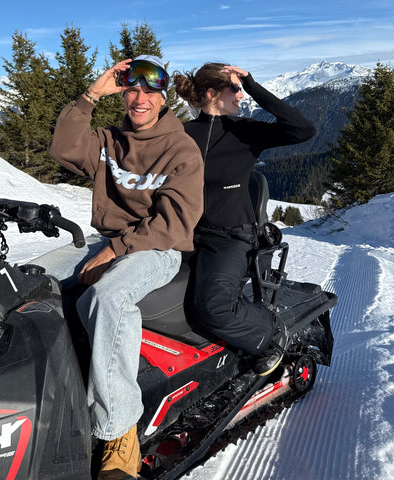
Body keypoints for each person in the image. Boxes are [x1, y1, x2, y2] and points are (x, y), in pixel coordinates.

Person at [48, 55, 204, 480]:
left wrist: (116, 250)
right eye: (132, 90)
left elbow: (175, 223)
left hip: (158, 248)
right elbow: (63, 149)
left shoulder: (180, 149)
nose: (140, 99)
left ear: (163, 98)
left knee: (107, 298)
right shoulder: (109, 140)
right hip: (112, 242)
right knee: (38, 286)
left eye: (150, 92)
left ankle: (119, 431)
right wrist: (90, 95)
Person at [173, 63, 316, 377]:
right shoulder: (182, 133)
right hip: (184, 234)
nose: (240, 96)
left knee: (214, 308)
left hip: (230, 237)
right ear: (212, 94)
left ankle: (270, 333)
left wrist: (251, 85)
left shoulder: (245, 132)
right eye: (234, 89)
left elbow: (303, 129)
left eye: (241, 90)